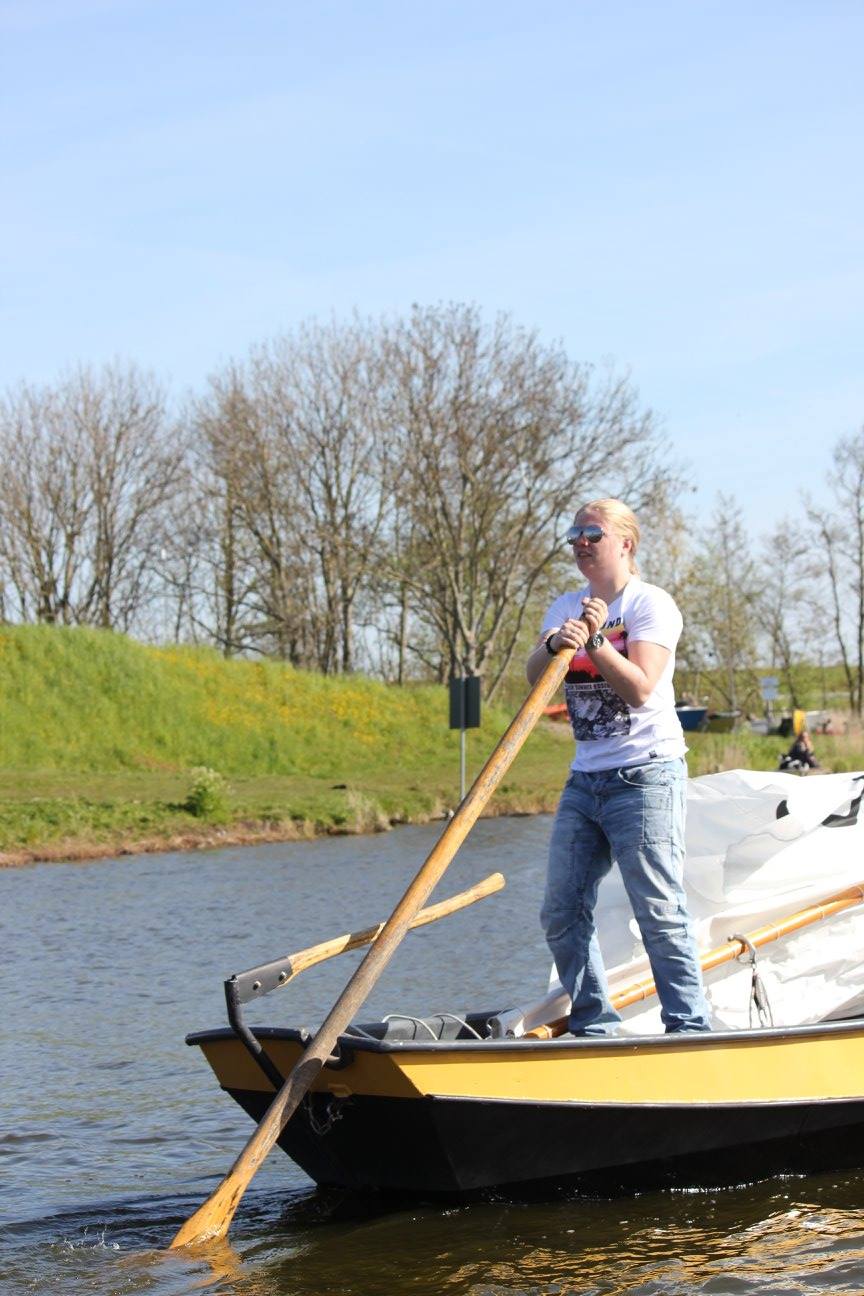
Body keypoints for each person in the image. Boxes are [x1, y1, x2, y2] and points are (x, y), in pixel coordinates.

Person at [526, 498, 710, 1035]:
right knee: (561, 911)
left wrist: (597, 641)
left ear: (625, 543)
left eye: (593, 534)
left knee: (657, 908)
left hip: (646, 776)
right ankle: (593, 1027)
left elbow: (640, 688)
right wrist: (555, 644)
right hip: (586, 780)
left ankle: (689, 1028)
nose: (580, 543)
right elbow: (536, 680)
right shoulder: (566, 605)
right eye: (574, 535)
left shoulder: (651, 604)